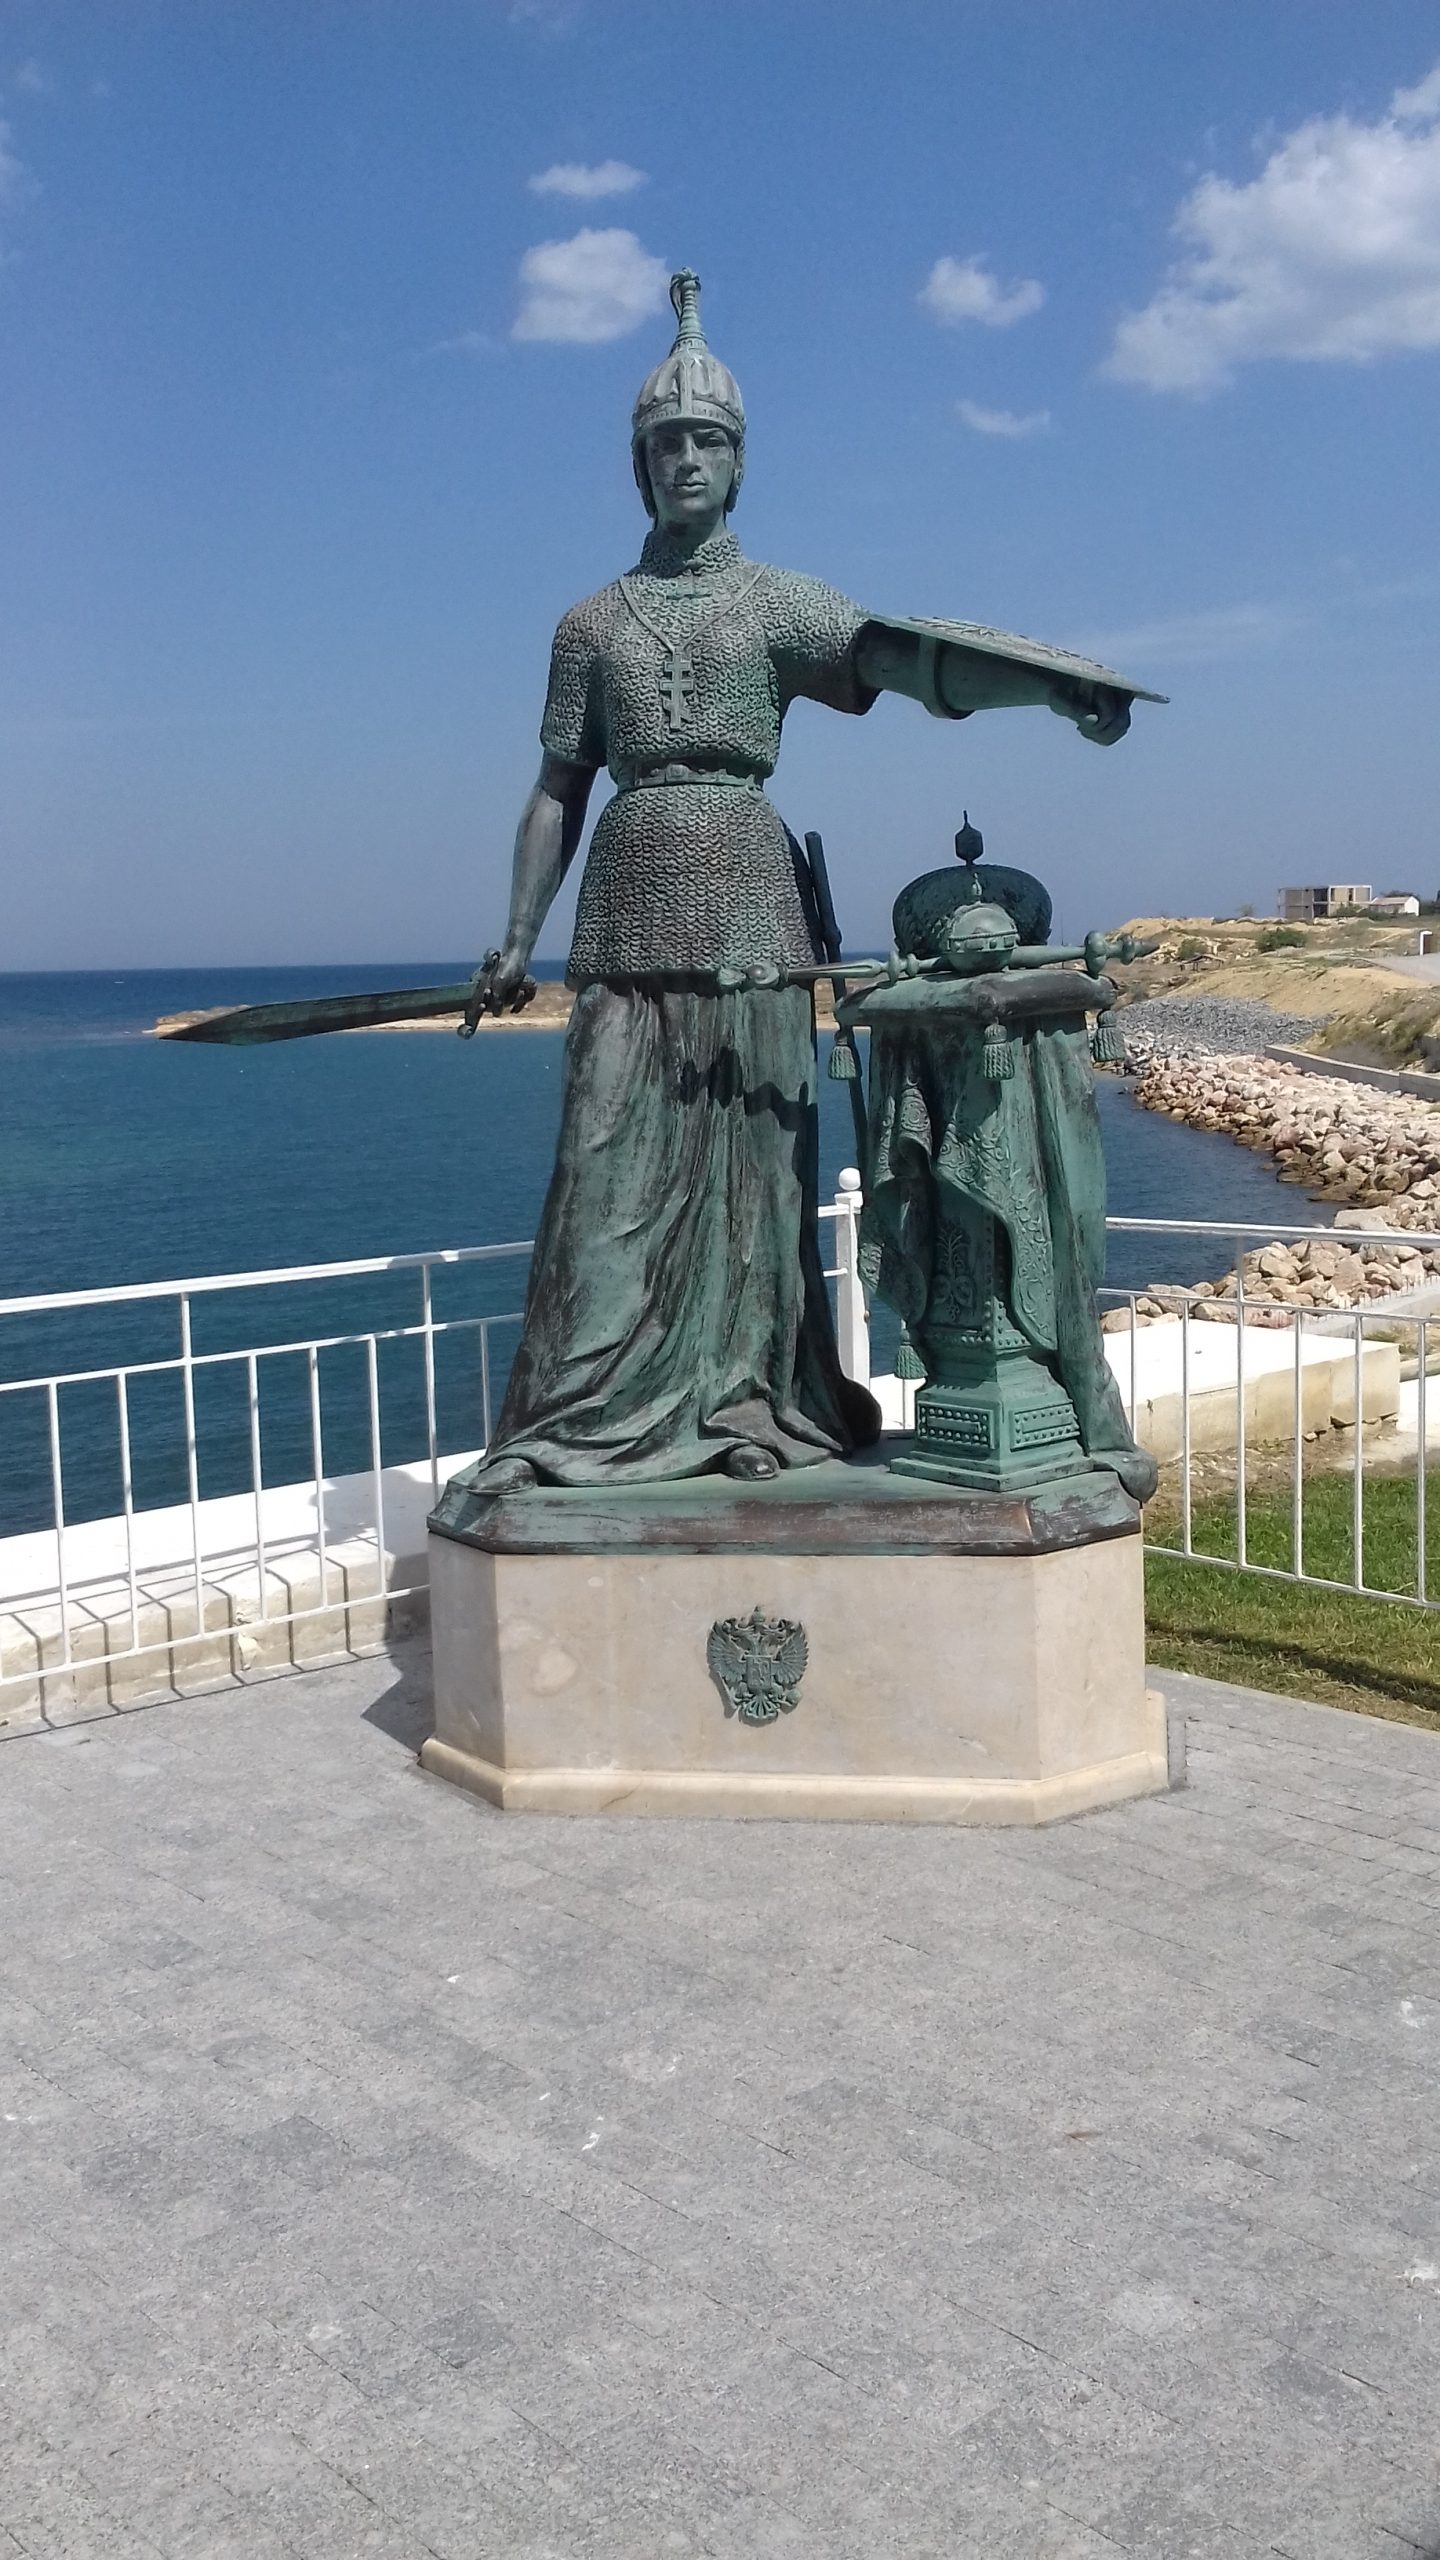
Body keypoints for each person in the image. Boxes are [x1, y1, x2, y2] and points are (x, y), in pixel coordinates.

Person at [437, 272, 1129, 1510]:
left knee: (756, 1175)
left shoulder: (773, 601)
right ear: (638, 466)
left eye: (707, 442)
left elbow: (902, 659)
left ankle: (749, 1394)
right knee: (603, 1169)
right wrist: (513, 938)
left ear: (738, 464)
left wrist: (1052, 685)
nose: (686, 461)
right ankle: (580, 1418)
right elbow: (556, 789)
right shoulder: (587, 625)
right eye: (666, 444)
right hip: (626, 903)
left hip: (754, 905)